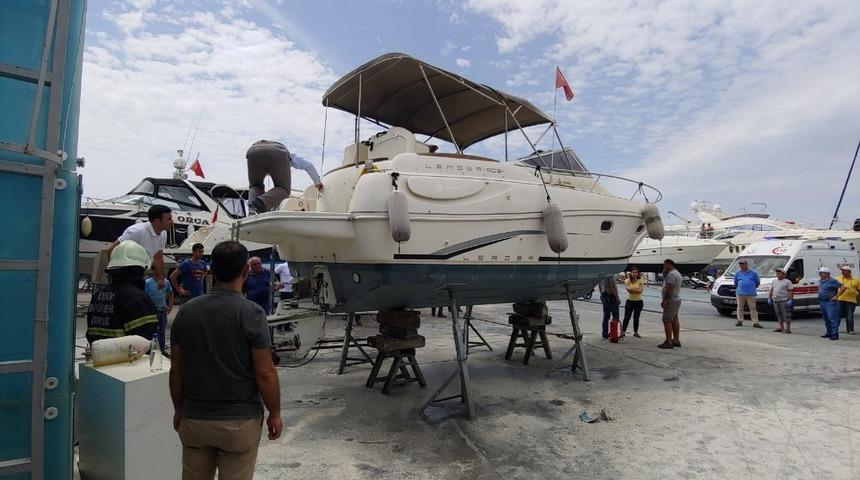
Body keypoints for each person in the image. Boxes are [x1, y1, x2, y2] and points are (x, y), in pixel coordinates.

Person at [169, 241, 282, 479]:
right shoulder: (251, 313)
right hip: (238, 423)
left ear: (212, 271)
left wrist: (179, 408)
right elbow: (265, 372)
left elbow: (176, 370)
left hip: (195, 420)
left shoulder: (187, 312)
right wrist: (274, 412)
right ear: (246, 271)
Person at [86, 241, 158, 344]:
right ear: (136, 271)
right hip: (128, 359)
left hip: (100, 358)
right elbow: (144, 342)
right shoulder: (137, 299)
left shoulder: (98, 295)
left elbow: (91, 335)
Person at [245, 140, 324, 214]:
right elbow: (308, 165)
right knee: (283, 189)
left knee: (255, 186)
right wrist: (317, 181)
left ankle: (253, 209)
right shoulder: (292, 157)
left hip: (253, 152)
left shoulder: (264, 167)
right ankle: (261, 203)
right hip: (277, 152)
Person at [108, 204, 173, 290]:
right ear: (157, 221)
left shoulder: (163, 234)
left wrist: (161, 278)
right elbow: (111, 250)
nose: (172, 222)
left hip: (139, 272)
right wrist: (112, 274)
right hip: (123, 273)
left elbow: (158, 257)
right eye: (169, 219)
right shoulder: (136, 231)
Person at [145, 271, 174, 353]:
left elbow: (171, 293)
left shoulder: (166, 282)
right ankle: (151, 350)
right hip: (151, 312)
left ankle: (162, 350)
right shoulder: (147, 282)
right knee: (152, 332)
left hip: (162, 311)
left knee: (162, 332)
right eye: (162, 268)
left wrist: (170, 305)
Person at [659, 259, 683, 349]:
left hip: (671, 300)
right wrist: (664, 272)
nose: (663, 267)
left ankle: (668, 341)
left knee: (667, 320)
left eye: (664, 265)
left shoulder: (672, 275)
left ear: (669, 265)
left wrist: (665, 300)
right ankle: (676, 340)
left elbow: (670, 288)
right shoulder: (676, 273)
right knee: (674, 319)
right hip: (676, 300)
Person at [733, 259, 762, 328]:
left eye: (743, 264)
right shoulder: (738, 273)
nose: (741, 265)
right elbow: (736, 283)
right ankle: (740, 320)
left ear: (746, 265)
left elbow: (757, 282)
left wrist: (751, 287)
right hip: (740, 293)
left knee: (752, 308)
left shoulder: (753, 273)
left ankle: (755, 322)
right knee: (740, 307)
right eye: (740, 264)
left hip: (751, 293)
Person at [818, 267, 842, 340]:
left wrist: (837, 296)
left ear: (827, 273)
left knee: (832, 318)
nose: (820, 274)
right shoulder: (820, 281)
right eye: (820, 272)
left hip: (830, 301)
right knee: (826, 318)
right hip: (822, 301)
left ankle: (835, 334)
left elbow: (843, 287)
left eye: (822, 272)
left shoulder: (832, 281)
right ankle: (829, 332)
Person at [768, 267, 794, 333]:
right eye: (777, 273)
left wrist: (790, 300)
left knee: (786, 315)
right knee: (778, 314)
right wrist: (769, 298)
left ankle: (787, 328)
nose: (777, 274)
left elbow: (790, 291)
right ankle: (781, 327)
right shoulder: (774, 281)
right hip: (775, 300)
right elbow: (771, 290)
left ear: (783, 274)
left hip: (784, 300)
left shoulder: (787, 282)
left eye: (779, 273)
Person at [835, 265, 859, 335]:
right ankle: (835, 328)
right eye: (842, 270)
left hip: (851, 300)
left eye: (844, 270)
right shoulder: (837, 279)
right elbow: (834, 288)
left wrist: (858, 299)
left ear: (849, 272)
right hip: (840, 299)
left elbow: (859, 290)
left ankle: (850, 330)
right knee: (838, 315)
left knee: (849, 315)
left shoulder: (856, 280)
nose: (842, 272)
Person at [622, 267, 645, 338]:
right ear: (631, 273)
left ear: (638, 274)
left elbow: (640, 291)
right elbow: (629, 290)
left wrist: (632, 289)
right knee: (626, 317)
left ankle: (636, 332)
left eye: (636, 272)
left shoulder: (641, 280)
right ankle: (623, 331)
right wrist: (636, 289)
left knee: (636, 317)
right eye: (633, 272)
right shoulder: (627, 280)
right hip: (630, 301)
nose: (634, 274)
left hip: (639, 301)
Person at [598, 275, 620, 339]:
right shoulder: (610, 273)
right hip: (610, 296)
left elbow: (599, 286)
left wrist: (602, 294)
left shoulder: (602, 273)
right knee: (616, 315)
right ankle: (613, 334)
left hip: (603, 295)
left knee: (606, 315)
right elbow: (613, 285)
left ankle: (605, 334)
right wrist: (617, 297)